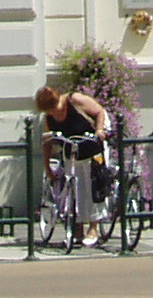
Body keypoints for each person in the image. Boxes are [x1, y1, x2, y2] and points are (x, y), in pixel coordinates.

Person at [35, 82, 111, 247]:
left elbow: (99, 111)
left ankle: (93, 228)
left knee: (92, 186)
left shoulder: (74, 100)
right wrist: (47, 166)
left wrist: (99, 131)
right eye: (49, 111)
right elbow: (48, 142)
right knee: (75, 188)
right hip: (72, 151)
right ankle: (78, 229)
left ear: (58, 100)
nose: (53, 113)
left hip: (92, 146)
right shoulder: (49, 117)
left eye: (54, 108)